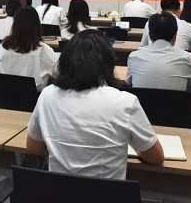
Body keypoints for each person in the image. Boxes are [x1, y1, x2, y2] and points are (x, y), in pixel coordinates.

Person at [26, 29, 164, 179]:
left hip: (58, 191)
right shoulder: (125, 102)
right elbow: (156, 157)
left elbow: (34, 148)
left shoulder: (47, 95)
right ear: (109, 64)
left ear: (65, 62)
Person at [0, 7, 58, 91]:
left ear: (14, 25)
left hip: (3, 96)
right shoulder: (43, 50)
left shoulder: (3, 47)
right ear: (37, 26)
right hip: (34, 98)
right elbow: (59, 72)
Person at [127, 12, 191, 91]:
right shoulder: (187, 58)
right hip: (174, 99)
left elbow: (129, 82)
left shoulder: (134, 57)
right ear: (174, 37)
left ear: (149, 36)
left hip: (142, 99)